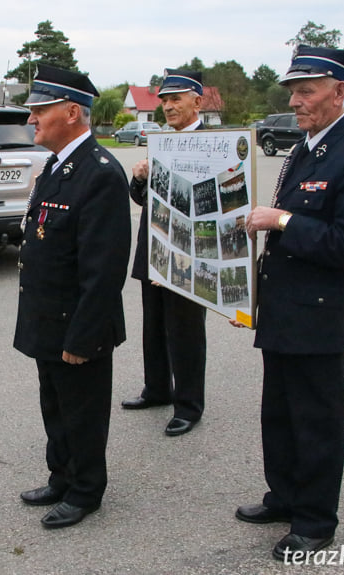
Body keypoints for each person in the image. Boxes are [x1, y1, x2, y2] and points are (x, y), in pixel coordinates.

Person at [234, 46, 344, 561]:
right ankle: (285, 497)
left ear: (339, 91)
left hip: (321, 313)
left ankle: (316, 521)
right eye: (293, 92)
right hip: (284, 306)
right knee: (277, 413)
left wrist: (279, 221)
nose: (296, 101)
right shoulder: (307, 146)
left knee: (316, 419)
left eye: (307, 91)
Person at [14, 64, 131, 529]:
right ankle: (61, 475)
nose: (31, 120)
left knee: (82, 411)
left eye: (40, 111)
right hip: (48, 315)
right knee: (54, 404)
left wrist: (83, 338)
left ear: (72, 113)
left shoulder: (100, 173)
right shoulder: (58, 166)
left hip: (79, 323)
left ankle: (86, 490)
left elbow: (103, 271)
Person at [120, 69, 208, 437]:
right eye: (165, 101)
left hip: (189, 250)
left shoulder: (212, 143)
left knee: (185, 329)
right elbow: (142, 199)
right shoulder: (161, 141)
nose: (169, 107)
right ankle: (157, 389)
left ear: (197, 102)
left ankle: (188, 404)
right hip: (155, 247)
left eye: (177, 99)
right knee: (154, 325)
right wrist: (140, 178)